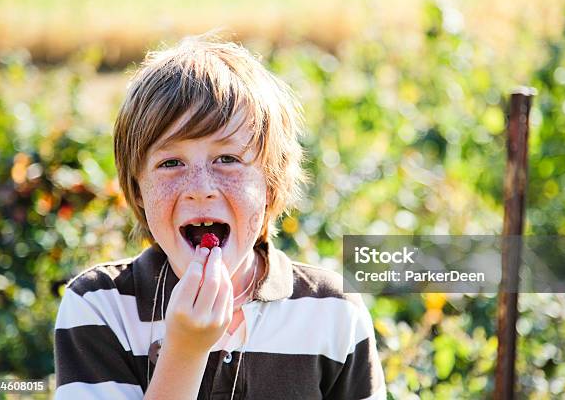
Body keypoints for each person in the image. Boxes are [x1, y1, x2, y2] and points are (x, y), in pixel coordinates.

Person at [53, 34, 386, 399]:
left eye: (227, 159)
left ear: (271, 185)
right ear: (138, 192)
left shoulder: (331, 312)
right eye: (171, 163)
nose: (201, 188)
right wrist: (184, 352)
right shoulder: (100, 305)